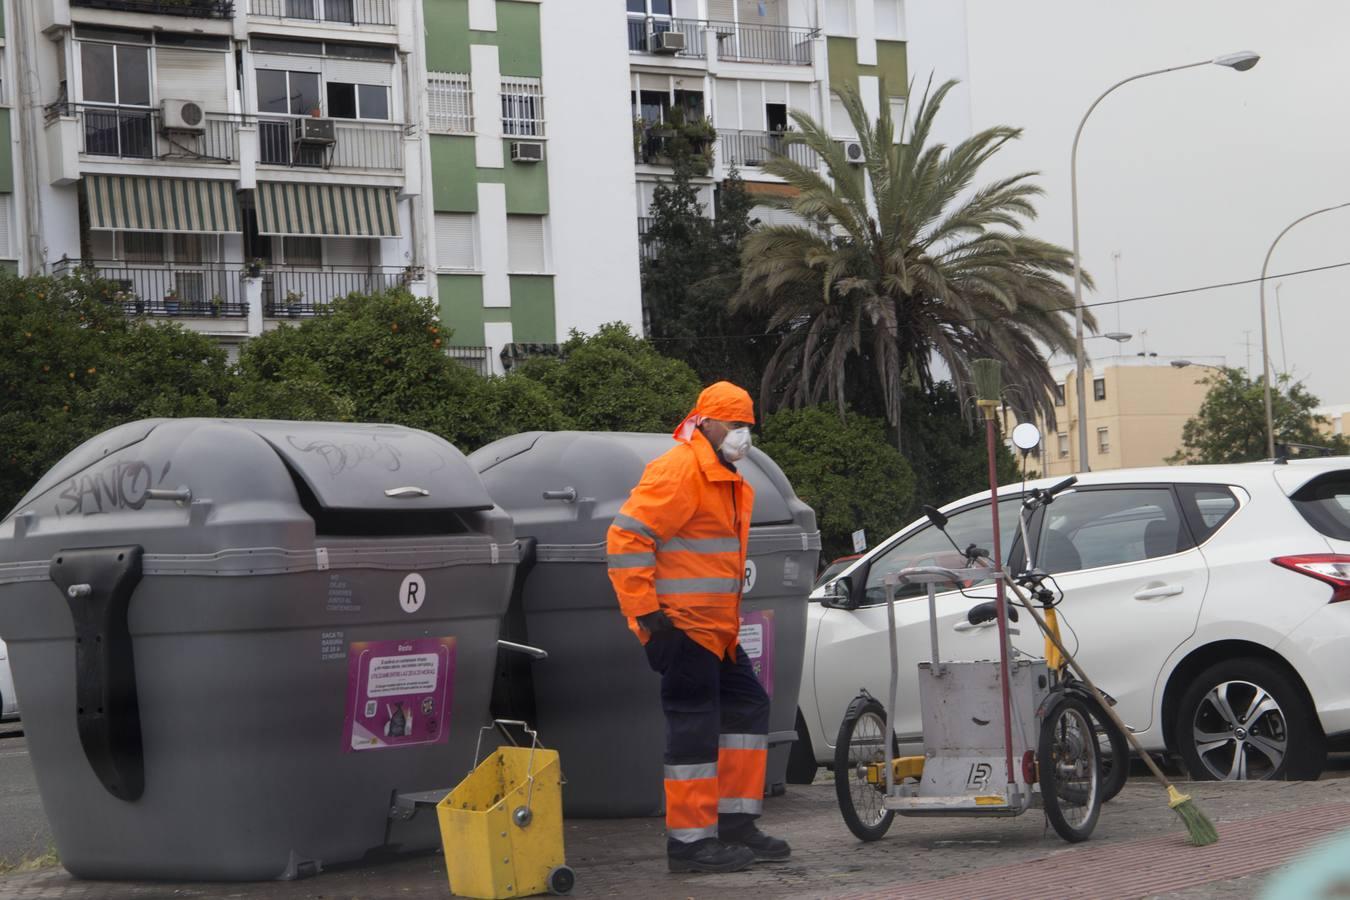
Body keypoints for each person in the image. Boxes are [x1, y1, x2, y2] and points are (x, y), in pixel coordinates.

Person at [607, 381, 791, 874]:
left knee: (747, 707)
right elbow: (626, 539)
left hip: (718, 632)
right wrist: (649, 619)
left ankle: (734, 825)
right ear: (705, 422)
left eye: (748, 425)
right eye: (734, 425)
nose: (742, 435)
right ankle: (690, 845)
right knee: (693, 729)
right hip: (683, 629)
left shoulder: (724, 475)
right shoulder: (680, 469)